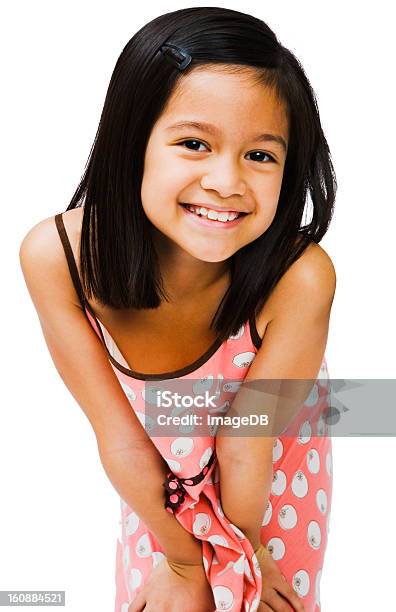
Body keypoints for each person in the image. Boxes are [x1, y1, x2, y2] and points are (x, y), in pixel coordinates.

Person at [19, 6, 337, 612]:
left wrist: (248, 555)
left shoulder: (298, 275)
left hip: (269, 474)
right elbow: (121, 440)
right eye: (194, 143)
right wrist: (182, 560)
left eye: (261, 155)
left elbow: (249, 441)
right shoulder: (59, 256)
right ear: (132, 141)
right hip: (158, 479)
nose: (226, 180)